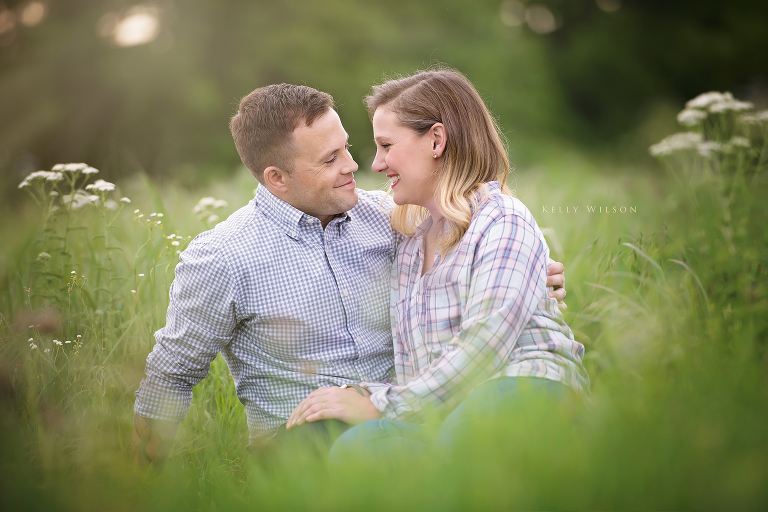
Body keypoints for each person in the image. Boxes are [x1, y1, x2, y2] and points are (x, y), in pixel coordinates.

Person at [131, 83, 567, 466]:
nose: (355, 167)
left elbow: (473, 252)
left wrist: (533, 275)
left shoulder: (391, 218)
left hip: (409, 414)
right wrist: (138, 484)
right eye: (330, 159)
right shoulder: (223, 257)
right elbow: (171, 375)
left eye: (348, 148)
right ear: (277, 178)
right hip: (300, 438)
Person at [285, 69, 588, 458]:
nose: (376, 164)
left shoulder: (503, 220)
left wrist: (380, 405)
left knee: (473, 427)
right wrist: (359, 395)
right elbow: (419, 364)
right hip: (442, 413)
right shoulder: (411, 244)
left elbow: (483, 348)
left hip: (524, 389)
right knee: (357, 449)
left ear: (437, 140)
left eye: (386, 145)